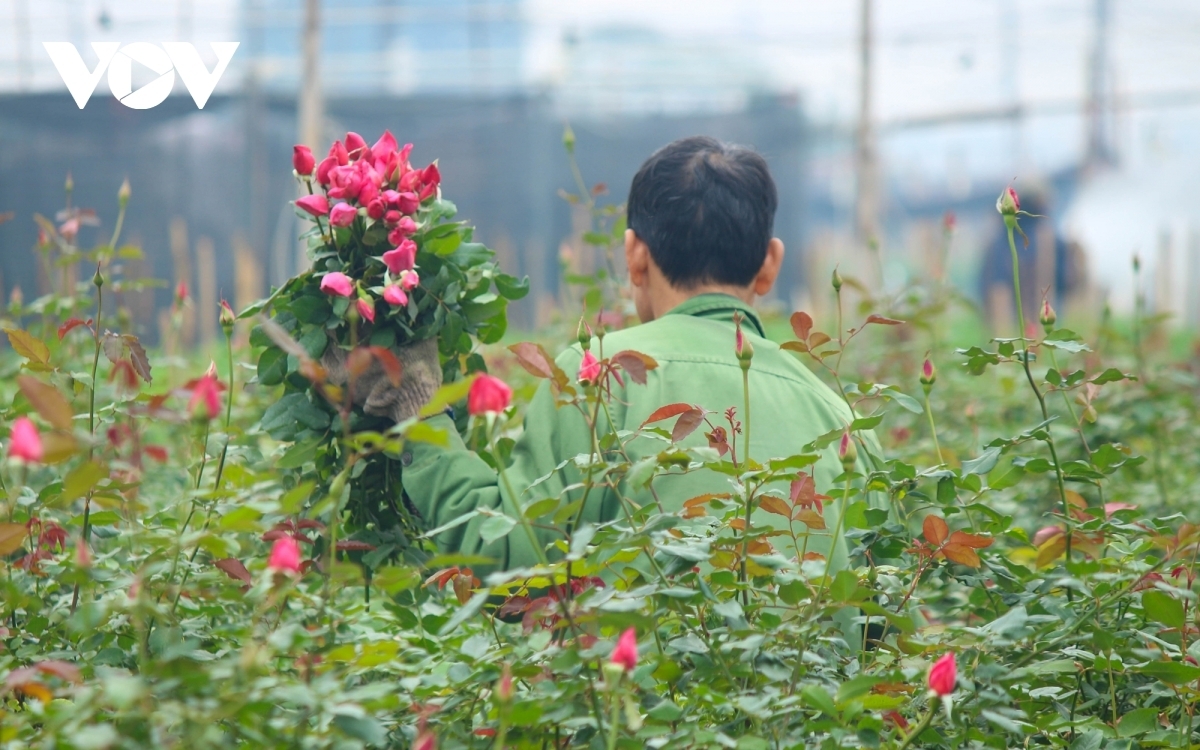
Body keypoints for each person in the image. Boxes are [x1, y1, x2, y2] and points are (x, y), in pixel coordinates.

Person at [352, 136, 880, 577]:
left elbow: (504, 550)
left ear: (634, 254)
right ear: (770, 265)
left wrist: (417, 401)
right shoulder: (843, 422)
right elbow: (882, 623)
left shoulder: (599, 376)